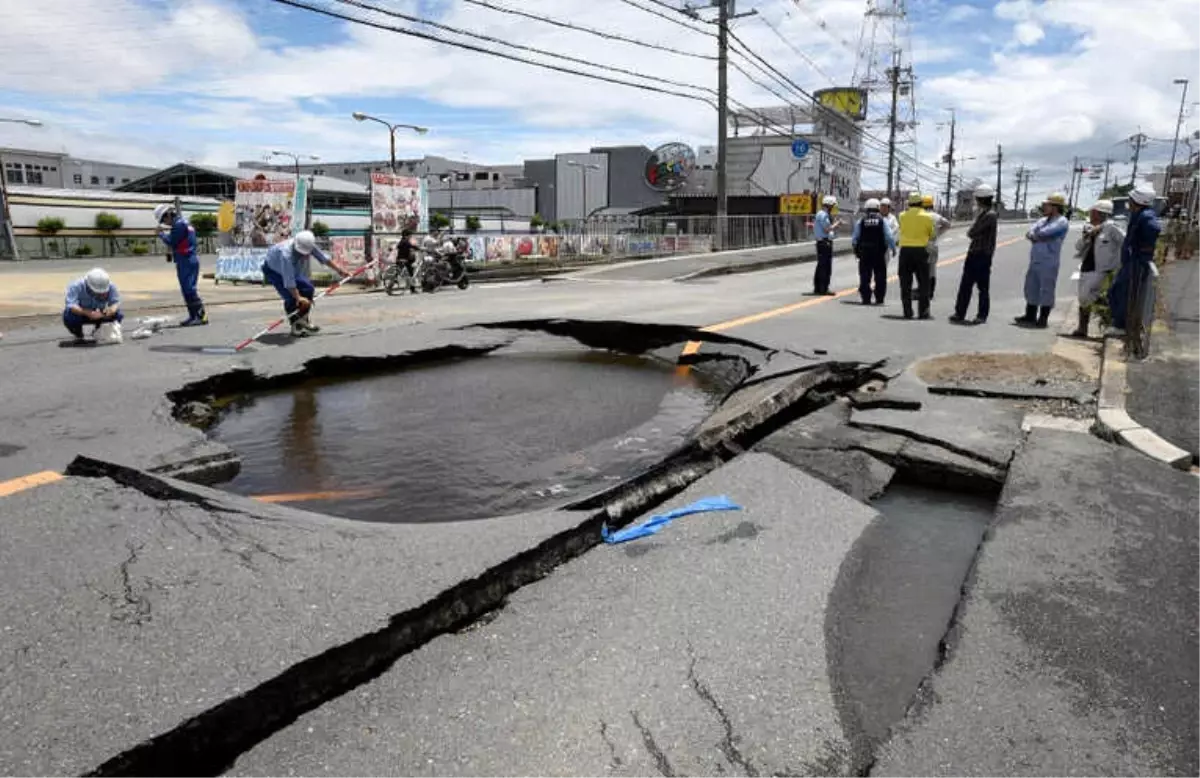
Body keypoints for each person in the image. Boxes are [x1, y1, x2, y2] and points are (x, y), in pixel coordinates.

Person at [261, 230, 348, 337]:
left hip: (293, 270)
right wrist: (298, 297)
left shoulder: (308, 244)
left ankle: (303, 320)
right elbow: (289, 281)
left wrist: (340, 270)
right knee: (290, 297)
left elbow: (324, 259)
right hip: (274, 270)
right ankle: (295, 326)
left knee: (308, 289)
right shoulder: (286, 254)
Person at [1107, 184, 1162, 334]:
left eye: (1130, 199)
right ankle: (1120, 323)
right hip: (1132, 260)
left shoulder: (1146, 216)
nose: (1128, 203)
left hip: (1137, 261)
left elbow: (1154, 228)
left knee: (1123, 292)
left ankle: (1121, 326)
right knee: (1117, 291)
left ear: (1137, 200)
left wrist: (1144, 249)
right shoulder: (1139, 214)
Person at [1014, 192, 1070, 328]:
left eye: (1047, 205)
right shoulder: (1043, 220)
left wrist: (1036, 235)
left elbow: (1045, 234)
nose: (1044, 207)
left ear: (1055, 207)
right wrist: (1036, 235)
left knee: (1046, 289)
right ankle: (1030, 315)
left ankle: (1043, 318)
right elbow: (1030, 233)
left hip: (1049, 261)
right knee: (1031, 287)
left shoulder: (1062, 221)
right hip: (1036, 259)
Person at [1070, 199, 1124, 337]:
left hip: (1101, 269)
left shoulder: (1112, 227)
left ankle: (1108, 304)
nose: (1091, 214)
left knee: (1085, 296)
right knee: (1083, 299)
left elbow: (1124, 241)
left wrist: (1117, 260)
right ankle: (1082, 328)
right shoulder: (1088, 227)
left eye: (1093, 212)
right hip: (1086, 267)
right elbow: (1078, 247)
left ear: (1100, 213)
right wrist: (1087, 235)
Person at [950, 184, 998, 324]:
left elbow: (972, 232)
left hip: (982, 254)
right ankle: (960, 312)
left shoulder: (989, 215)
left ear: (981, 199)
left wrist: (974, 225)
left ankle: (981, 315)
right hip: (975, 253)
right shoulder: (984, 214)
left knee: (982, 287)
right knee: (966, 285)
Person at [153, 203, 207, 326]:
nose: (164, 223)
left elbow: (171, 242)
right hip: (187, 258)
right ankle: (193, 315)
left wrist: (160, 234)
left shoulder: (178, 225)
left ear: (168, 215)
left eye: (163, 220)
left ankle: (200, 316)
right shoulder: (185, 223)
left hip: (186, 259)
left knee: (189, 289)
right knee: (187, 289)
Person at [897, 192, 937, 319]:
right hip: (921, 251)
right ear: (921, 203)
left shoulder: (902, 216)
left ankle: (907, 311)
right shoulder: (928, 217)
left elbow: (901, 230)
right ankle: (923, 311)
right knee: (924, 283)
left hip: (906, 251)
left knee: (905, 283)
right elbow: (932, 235)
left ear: (909, 203)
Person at [852, 198, 896, 304]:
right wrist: (893, 248)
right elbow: (889, 236)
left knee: (864, 276)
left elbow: (855, 238)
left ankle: (866, 298)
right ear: (878, 208)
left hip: (864, 253)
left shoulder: (861, 221)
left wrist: (855, 250)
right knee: (880, 276)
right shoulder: (882, 221)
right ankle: (879, 298)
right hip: (879, 253)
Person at [63, 267, 122, 342]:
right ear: (88, 284)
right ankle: (78, 334)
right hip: (82, 313)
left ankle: (99, 331)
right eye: (96, 292)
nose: (99, 294)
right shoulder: (76, 286)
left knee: (118, 314)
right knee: (69, 315)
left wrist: (107, 312)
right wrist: (87, 313)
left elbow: (115, 303)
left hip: (101, 313)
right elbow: (71, 305)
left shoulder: (111, 286)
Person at [921, 194, 952, 299]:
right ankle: (931, 292)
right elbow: (948, 224)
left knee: (921, 269)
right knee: (932, 269)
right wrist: (939, 232)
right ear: (932, 205)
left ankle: (923, 290)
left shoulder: (920, 215)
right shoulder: (936, 216)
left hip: (921, 244)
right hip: (933, 244)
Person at [811, 195, 842, 295]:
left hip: (821, 242)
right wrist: (837, 224)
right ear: (829, 206)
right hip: (825, 243)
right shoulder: (823, 215)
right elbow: (827, 229)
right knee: (825, 266)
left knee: (821, 265)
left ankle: (818, 287)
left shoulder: (820, 214)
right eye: (832, 206)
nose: (833, 208)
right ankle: (823, 288)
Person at [392, 228, 418, 293]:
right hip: (405, 260)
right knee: (411, 274)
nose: (411, 237)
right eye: (410, 235)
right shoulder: (405, 241)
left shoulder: (401, 241)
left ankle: (392, 282)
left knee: (398, 272)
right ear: (406, 235)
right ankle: (412, 289)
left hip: (399, 259)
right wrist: (420, 248)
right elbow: (412, 246)